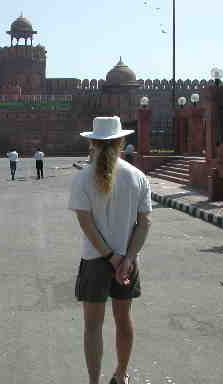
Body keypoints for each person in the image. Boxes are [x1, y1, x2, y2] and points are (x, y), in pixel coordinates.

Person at [68, 116, 152, 384]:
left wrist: (108, 256)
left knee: (93, 327)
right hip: (127, 263)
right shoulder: (137, 176)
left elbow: (86, 223)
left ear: (92, 142)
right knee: (123, 319)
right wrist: (126, 258)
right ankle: (121, 374)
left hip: (95, 260)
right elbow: (144, 222)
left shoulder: (83, 178)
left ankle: (94, 381)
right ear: (121, 142)